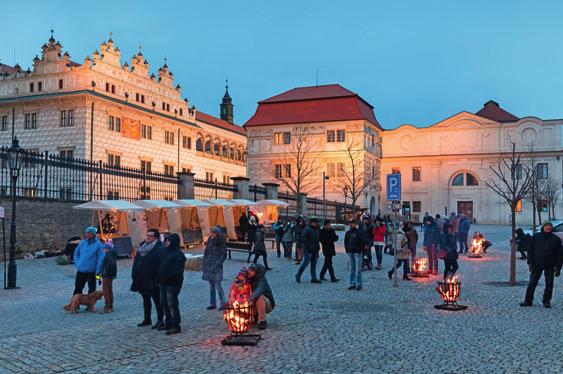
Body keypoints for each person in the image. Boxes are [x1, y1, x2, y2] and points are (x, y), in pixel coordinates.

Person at [520, 222, 563, 308]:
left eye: (550, 226)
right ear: (543, 227)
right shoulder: (536, 237)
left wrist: (558, 268)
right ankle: (528, 300)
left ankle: (546, 301)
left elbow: (559, 254)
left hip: (550, 265)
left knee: (549, 284)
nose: (548, 227)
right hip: (537, 264)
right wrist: (530, 263)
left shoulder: (556, 239)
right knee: (532, 282)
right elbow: (530, 250)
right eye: (546, 226)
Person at [131, 228, 165, 329]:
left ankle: (160, 320)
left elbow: (161, 265)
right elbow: (137, 262)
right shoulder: (142, 247)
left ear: (155, 238)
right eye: (147, 235)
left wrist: (158, 278)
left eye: (150, 236)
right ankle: (147, 318)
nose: (148, 237)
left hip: (153, 279)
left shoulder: (160, 249)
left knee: (157, 301)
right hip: (142, 279)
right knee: (145, 300)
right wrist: (135, 274)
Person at [158, 234, 186, 335]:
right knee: (163, 303)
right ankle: (168, 322)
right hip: (163, 282)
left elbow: (177, 271)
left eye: (168, 241)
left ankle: (176, 325)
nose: (166, 243)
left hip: (173, 284)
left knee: (172, 304)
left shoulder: (178, 255)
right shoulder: (165, 252)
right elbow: (161, 266)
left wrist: (167, 277)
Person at [73, 226, 105, 296]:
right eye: (86, 233)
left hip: (92, 271)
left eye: (89, 233)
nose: (87, 234)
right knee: (78, 288)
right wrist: (78, 263)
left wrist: (98, 271)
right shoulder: (82, 243)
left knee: (92, 289)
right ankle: (75, 304)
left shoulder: (99, 245)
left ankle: (90, 305)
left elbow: (101, 258)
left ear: (93, 234)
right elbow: (76, 253)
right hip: (81, 269)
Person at [202, 226, 228, 310]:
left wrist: (217, 264)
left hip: (216, 267)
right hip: (209, 265)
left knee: (218, 286)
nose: (212, 234)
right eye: (211, 232)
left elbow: (223, 255)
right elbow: (207, 252)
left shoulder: (221, 242)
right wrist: (205, 261)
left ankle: (223, 303)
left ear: (217, 234)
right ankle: (213, 303)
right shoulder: (210, 240)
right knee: (211, 286)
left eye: (213, 233)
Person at [247, 263, 275, 330]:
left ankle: (262, 320)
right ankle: (255, 316)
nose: (249, 271)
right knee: (250, 297)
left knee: (259, 297)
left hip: (267, 304)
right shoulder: (250, 278)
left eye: (251, 270)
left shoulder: (262, 280)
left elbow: (258, 291)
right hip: (255, 302)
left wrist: (248, 300)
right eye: (249, 270)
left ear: (256, 272)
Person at [295, 218, 321, 284]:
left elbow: (317, 239)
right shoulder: (307, 229)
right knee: (305, 263)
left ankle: (313, 278)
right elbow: (303, 237)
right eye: (315, 223)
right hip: (308, 249)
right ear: (311, 223)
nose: (316, 224)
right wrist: (308, 245)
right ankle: (298, 275)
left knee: (313, 264)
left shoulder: (316, 229)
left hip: (314, 249)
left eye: (316, 223)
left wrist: (317, 248)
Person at [98, 241, 117, 313]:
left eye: (104, 248)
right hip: (108, 275)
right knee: (109, 289)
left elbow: (110, 266)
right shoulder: (111, 254)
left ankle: (108, 306)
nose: (103, 249)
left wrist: (105, 273)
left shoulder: (108, 255)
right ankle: (110, 305)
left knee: (106, 290)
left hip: (107, 275)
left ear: (107, 249)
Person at [345, 220, 364, 290]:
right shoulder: (348, 233)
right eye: (350, 223)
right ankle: (352, 283)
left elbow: (362, 242)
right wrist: (347, 250)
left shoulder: (359, 232)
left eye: (352, 223)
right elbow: (346, 242)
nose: (351, 225)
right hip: (350, 252)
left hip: (357, 253)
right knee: (351, 269)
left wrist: (359, 251)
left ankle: (359, 285)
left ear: (355, 224)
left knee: (358, 269)